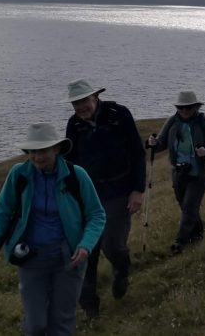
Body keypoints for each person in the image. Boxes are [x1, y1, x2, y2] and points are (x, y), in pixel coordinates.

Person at [0, 123, 106, 336]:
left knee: (61, 323)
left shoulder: (76, 175)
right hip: (31, 259)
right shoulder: (19, 174)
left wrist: (86, 245)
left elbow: (97, 214)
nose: (36, 157)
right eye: (32, 151)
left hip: (68, 258)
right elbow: (2, 213)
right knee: (35, 325)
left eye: (42, 150)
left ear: (56, 149)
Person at [62, 78, 144, 320]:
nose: (80, 107)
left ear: (95, 97)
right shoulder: (74, 125)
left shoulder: (120, 114)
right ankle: (89, 306)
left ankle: (122, 267)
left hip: (119, 191)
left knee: (112, 244)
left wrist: (137, 190)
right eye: (75, 103)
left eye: (83, 101)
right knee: (86, 249)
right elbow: (71, 161)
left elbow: (137, 153)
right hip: (87, 195)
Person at [148, 91, 205, 255]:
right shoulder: (173, 121)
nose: (185, 111)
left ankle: (180, 242)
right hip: (179, 171)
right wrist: (153, 143)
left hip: (201, 171)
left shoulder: (204, 121)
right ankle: (198, 233)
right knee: (185, 204)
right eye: (181, 108)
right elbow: (161, 143)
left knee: (189, 205)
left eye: (188, 108)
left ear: (195, 107)